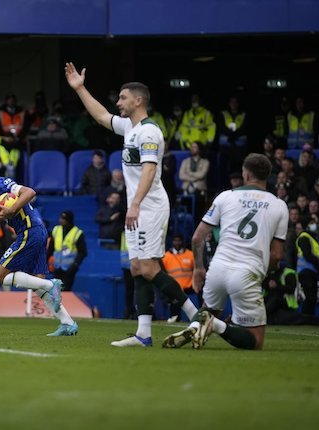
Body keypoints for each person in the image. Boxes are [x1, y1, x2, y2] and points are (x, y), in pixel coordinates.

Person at [65, 62, 199, 347]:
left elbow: (150, 170)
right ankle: (144, 334)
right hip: (139, 206)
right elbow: (102, 116)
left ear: (138, 101)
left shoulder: (150, 131)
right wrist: (80, 88)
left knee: (149, 269)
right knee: (137, 267)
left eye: (123, 98)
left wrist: (135, 204)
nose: (118, 102)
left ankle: (196, 317)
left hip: (149, 206)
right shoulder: (130, 127)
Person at [163, 153, 289, 350]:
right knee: (255, 341)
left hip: (218, 268)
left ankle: (197, 324)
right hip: (247, 271)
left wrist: (198, 268)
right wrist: (264, 274)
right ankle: (216, 325)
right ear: (268, 176)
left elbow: (197, 237)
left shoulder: (225, 196)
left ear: (245, 174)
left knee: (209, 309)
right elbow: (277, 255)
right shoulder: (279, 206)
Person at [0, 160, 77, 336]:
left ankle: (50, 284)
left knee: (0, 275)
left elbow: (30, 192)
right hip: (37, 231)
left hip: (29, 232)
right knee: (38, 284)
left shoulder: (3, 184)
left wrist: (12, 210)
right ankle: (67, 323)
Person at [48, 210, 87, 291]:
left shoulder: (77, 233)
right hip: (57, 266)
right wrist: (46, 260)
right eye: (60, 218)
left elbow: (82, 252)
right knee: (55, 290)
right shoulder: (56, 230)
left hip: (70, 268)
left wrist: (75, 264)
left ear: (69, 220)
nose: (60, 220)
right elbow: (51, 248)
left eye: (63, 219)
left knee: (66, 290)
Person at [162, 234, 195, 322]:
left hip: (189, 287)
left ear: (182, 242)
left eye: (179, 240)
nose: (177, 243)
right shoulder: (166, 256)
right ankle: (174, 317)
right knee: (174, 299)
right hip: (174, 287)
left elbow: (195, 270)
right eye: (175, 240)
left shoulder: (190, 254)